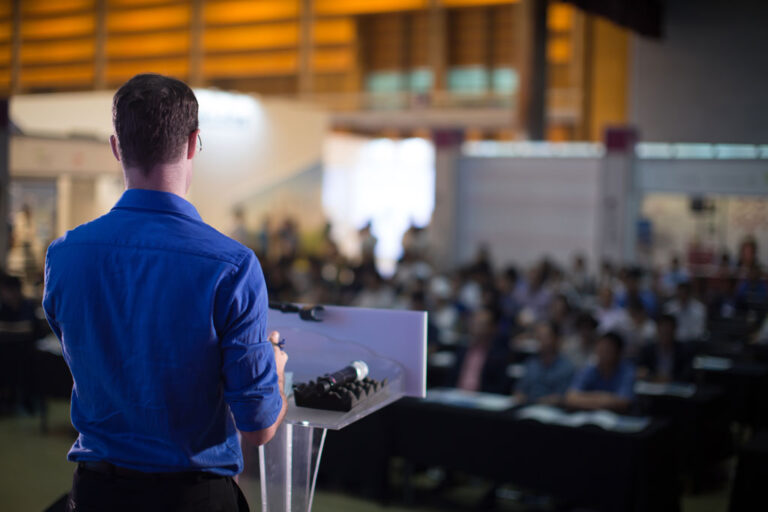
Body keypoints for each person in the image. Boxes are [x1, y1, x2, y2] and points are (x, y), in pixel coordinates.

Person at [42, 74, 287, 512]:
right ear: (195, 143)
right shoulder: (233, 266)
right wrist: (275, 367)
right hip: (192, 497)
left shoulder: (64, 256)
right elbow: (259, 428)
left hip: (96, 494)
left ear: (117, 147)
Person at [565, 332, 635, 412]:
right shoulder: (589, 369)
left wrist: (586, 399)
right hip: (589, 417)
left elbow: (623, 402)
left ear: (618, 353)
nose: (602, 354)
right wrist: (606, 398)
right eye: (600, 349)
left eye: (608, 350)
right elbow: (571, 398)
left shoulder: (626, 371)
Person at [515, 322, 574, 405]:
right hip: (527, 410)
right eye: (539, 337)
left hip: (551, 413)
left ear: (556, 339)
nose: (541, 340)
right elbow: (520, 389)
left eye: (545, 337)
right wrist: (519, 396)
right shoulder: (531, 362)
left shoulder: (567, 368)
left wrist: (535, 402)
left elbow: (561, 398)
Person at [636, 315, 692, 382]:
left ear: (674, 330)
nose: (665, 333)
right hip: (652, 387)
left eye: (668, 331)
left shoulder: (684, 351)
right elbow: (641, 371)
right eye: (662, 330)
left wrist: (668, 379)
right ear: (657, 330)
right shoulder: (647, 350)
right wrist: (653, 377)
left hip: (676, 387)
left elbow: (687, 374)